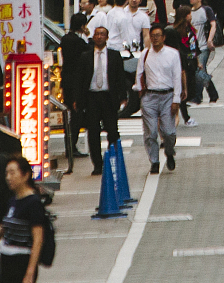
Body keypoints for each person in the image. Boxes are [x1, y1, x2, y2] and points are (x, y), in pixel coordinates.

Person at [0, 156, 49, 283]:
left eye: (12, 173)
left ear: (26, 175)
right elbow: (6, 233)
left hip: (20, 263)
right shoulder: (13, 201)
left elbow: (38, 240)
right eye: (6, 173)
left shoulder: (33, 202)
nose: (8, 177)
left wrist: (30, 272)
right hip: (6, 263)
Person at [73, 24, 127, 174]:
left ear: (107, 37)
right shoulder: (85, 56)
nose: (99, 37)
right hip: (92, 97)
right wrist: (77, 99)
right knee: (93, 131)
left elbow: (120, 78)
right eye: (97, 34)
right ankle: (97, 163)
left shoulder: (114, 56)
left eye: (102, 34)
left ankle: (113, 159)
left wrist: (123, 96)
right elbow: (80, 79)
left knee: (112, 130)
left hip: (108, 97)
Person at [137, 24, 183, 173]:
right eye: (153, 35)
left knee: (169, 132)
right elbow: (139, 75)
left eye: (158, 35)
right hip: (149, 96)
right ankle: (154, 161)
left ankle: (169, 151)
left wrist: (176, 99)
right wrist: (140, 92)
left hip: (167, 96)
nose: (155, 38)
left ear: (163, 38)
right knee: (150, 132)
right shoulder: (144, 54)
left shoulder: (173, 54)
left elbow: (177, 77)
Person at [57, 12, 92, 172]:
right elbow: (88, 51)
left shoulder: (65, 39)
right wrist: (87, 37)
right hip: (76, 82)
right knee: (76, 114)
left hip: (66, 80)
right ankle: (71, 146)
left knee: (71, 113)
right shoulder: (78, 42)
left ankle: (70, 145)